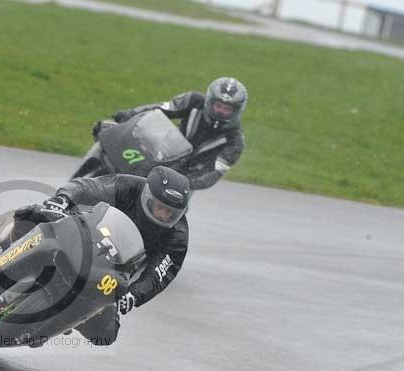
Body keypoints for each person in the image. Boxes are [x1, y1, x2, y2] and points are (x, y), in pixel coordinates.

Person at [19, 166, 190, 346]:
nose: (163, 215)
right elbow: (88, 187)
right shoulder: (128, 186)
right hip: (79, 236)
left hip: (108, 273)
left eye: (170, 212)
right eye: (159, 207)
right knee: (31, 215)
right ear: (148, 196)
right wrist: (63, 199)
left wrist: (134, 295)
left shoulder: (177, 236)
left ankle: (54, 326)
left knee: (106, 333)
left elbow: (158, 275)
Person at [101, 77, 248, 190]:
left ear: (236, 111)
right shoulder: (193, 101)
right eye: (219, 105)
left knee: (165, 217)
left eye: (227, 109)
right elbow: (160, 108)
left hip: (183, 177)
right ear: (210, 102)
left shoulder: (235, 141)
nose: (221, 111)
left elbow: (213, 174)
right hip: (162, 152)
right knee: (113, 143)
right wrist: (130, 114)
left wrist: (183, 183)